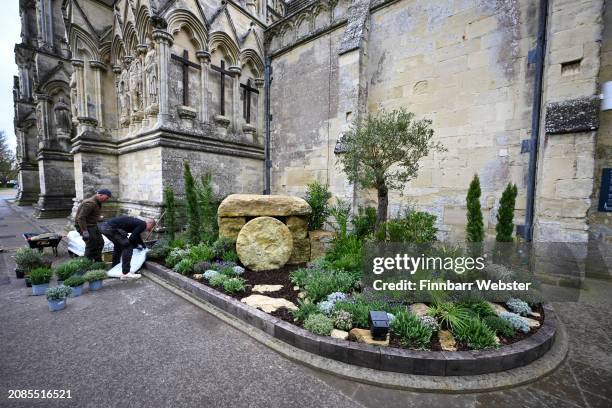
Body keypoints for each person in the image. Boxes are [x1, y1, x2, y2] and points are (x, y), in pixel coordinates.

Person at [75, 188, 112, 262]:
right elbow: (81, 218)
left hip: (92, 225)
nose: (107, 200)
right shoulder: (90, 203)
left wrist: (98, 218)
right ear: (100, 195)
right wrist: (84, 231)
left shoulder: (97, 202)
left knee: (100, 243)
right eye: (106, 198)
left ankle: (97, 261)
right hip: (86, 226)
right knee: (91, 245)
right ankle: (86, 264)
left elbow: (90, 215)